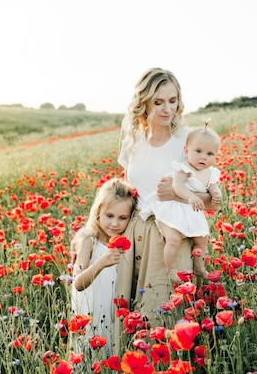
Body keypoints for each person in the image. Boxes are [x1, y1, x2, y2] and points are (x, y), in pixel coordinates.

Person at [115, 68, 220, 333]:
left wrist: (175, 193)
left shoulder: (186, 139)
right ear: (144, 102)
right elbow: (131, 188)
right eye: (158, 102)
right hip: (135, 234)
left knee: (162, 319)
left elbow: (213, 202)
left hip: (170, 238)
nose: (167, 109)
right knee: (131, 316)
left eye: (172, 101)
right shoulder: (133, 139)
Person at [141, 123, 222, 282]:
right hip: (172, 208)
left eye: (210, 154)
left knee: (202, 240)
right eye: (198, 151)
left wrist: (216, 193)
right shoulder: (183, 168)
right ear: (187, 151)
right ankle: (171, 270)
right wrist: (190, 197)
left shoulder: (210, 172)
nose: (203, 157)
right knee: (174, 239)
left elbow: (213, 186)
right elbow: (176, 186)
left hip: (191, 212)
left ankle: (199, 268)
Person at [70, 177, 137, 359]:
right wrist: (101, 262)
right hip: (91, 315)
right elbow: (78, 283)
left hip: (112, 314)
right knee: (90, 357)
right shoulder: (88, 239)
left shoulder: (123, 242)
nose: (115, 224)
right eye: (109, 216)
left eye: (122, 218)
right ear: (98, 212)